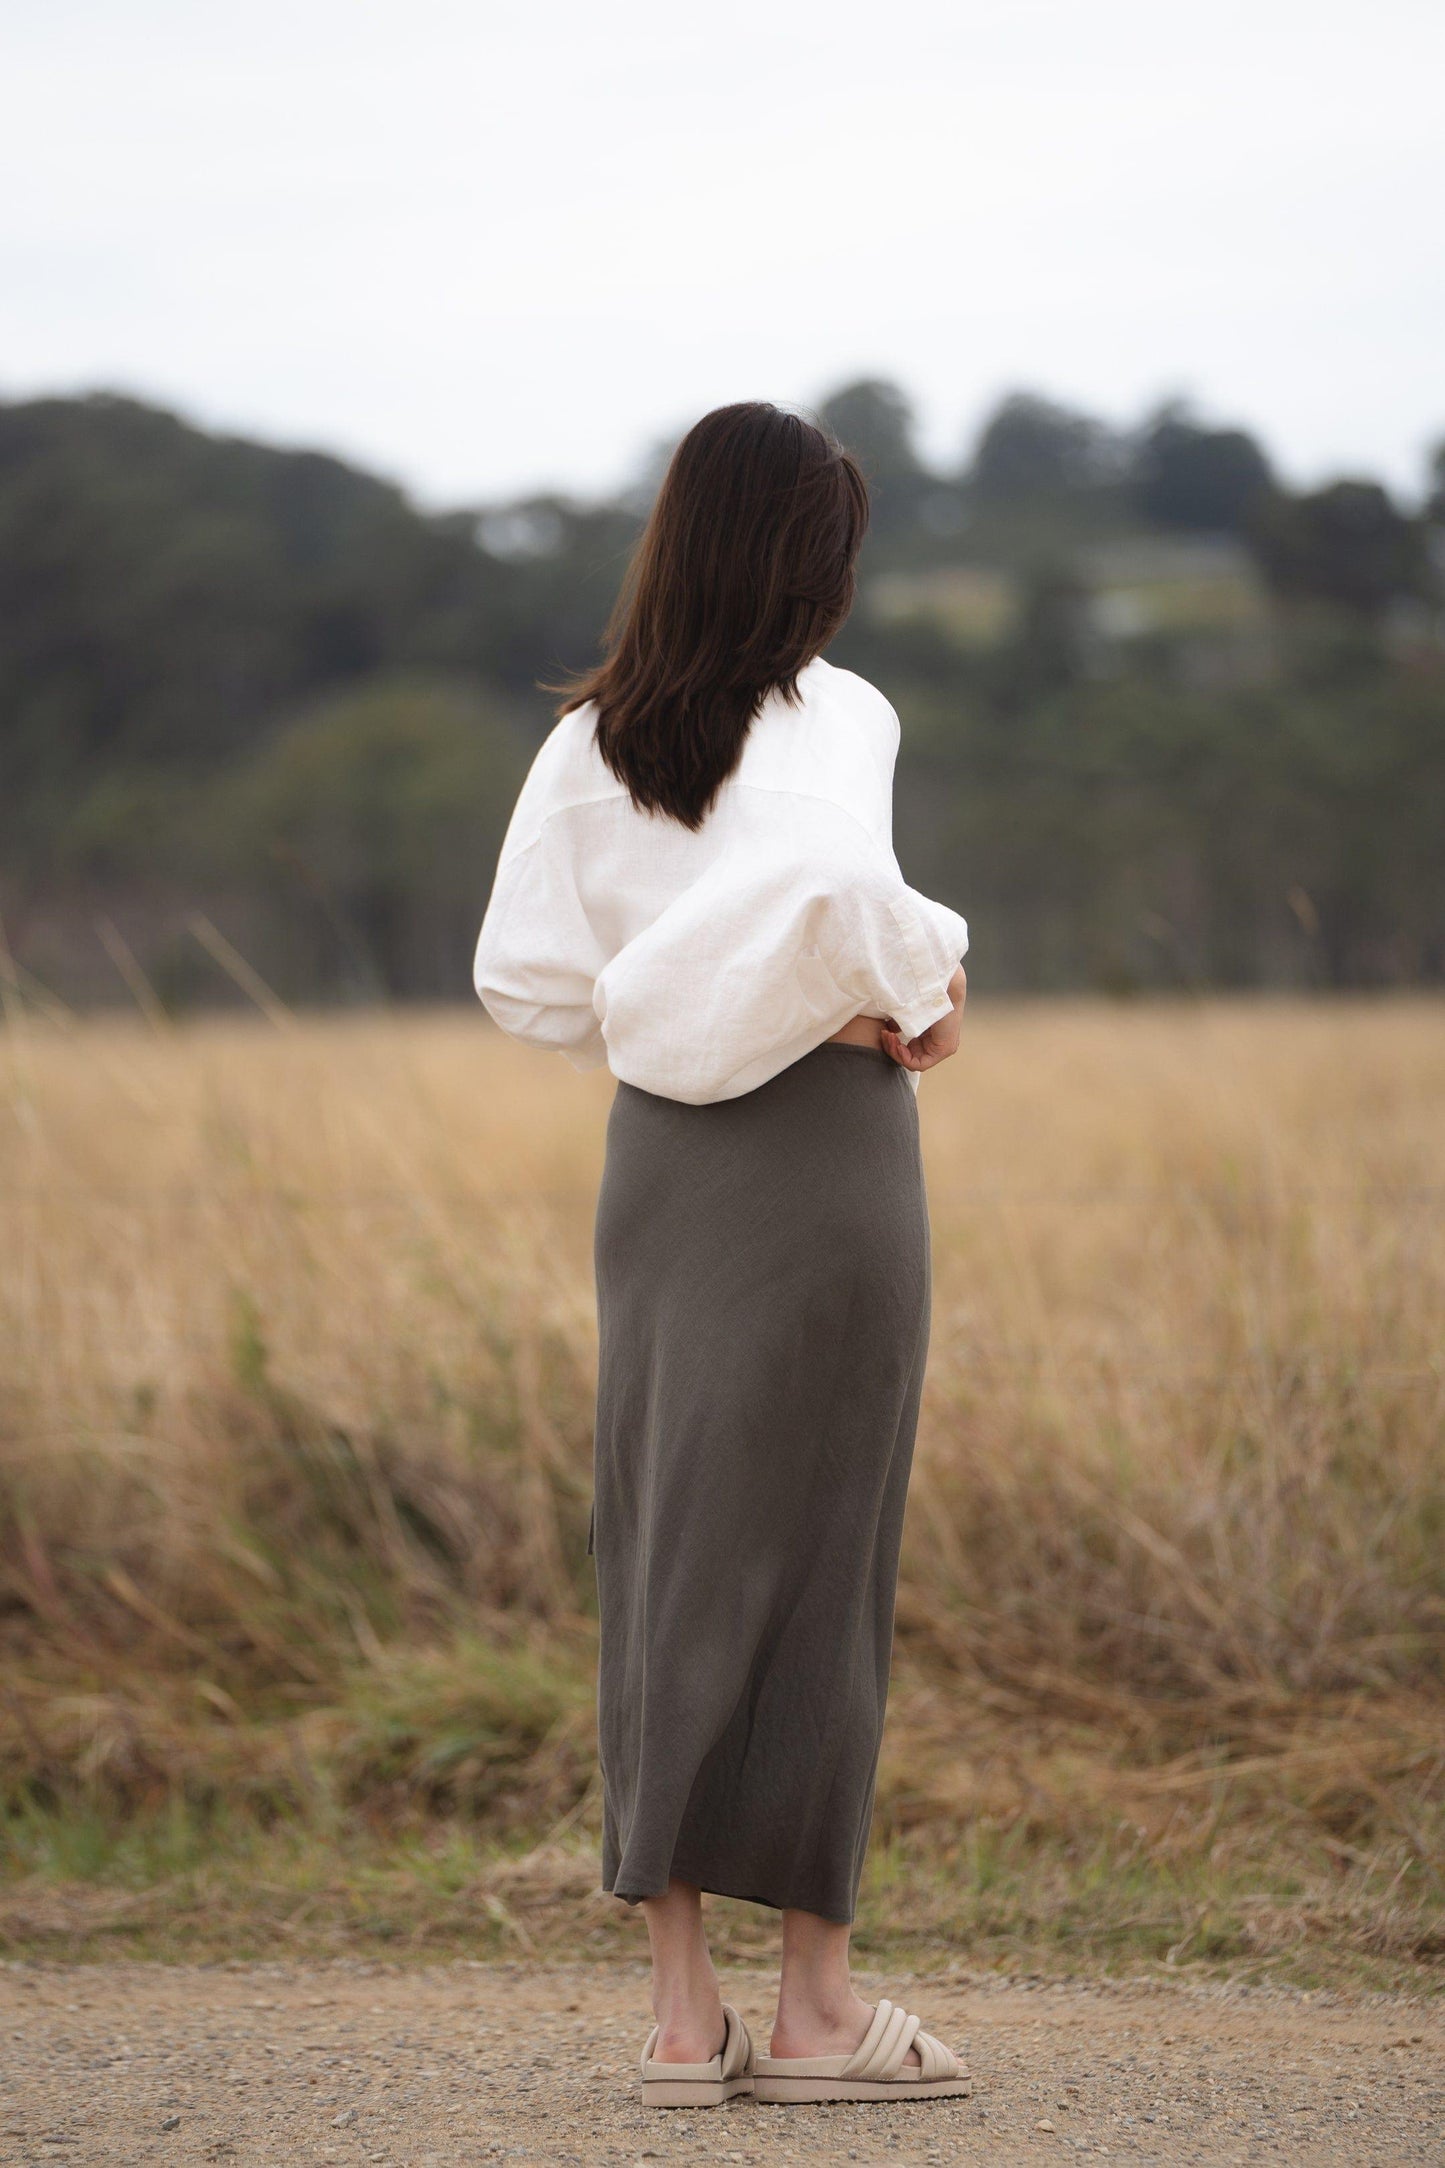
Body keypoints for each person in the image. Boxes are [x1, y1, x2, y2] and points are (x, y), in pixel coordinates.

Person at [473, 402, 972, 2110]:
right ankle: (819, 2011)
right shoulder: (846, 715)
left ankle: (685, 2024)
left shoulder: (587, 743)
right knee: (824, 1555)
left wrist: (670, 996)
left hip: (664, 1162)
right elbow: (865, 913)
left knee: (669, 1541)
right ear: (810, 558)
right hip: (831, 1148)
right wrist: (913, 990)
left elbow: (526, 983)